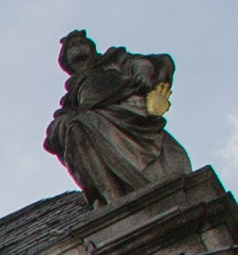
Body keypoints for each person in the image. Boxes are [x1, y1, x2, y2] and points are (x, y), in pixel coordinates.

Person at [44, 30, 193, 203]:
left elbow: (141, 63)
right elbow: (54, 132)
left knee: (80, 123)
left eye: (82, 43)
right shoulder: (72, 97)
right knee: (75, 128)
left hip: (125, 107)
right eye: (72, 46)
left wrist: (142, 74)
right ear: (65, 60)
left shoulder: (111, 59)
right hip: (92, 119)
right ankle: (112, 196)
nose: (78, 47)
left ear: (91, 48)